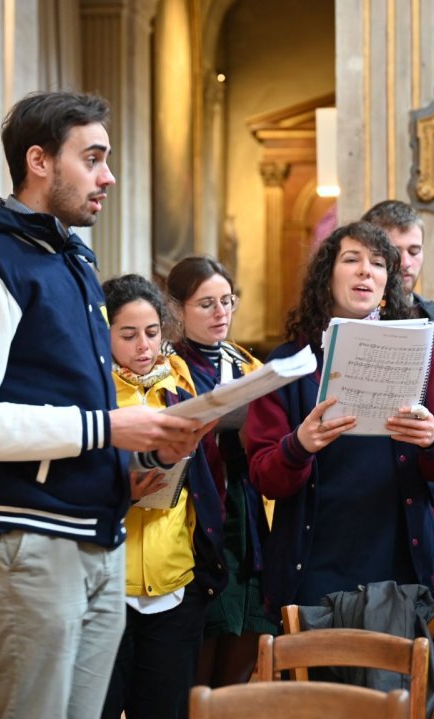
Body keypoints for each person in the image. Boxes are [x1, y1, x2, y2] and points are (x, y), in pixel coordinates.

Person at [0, 91, 210, 719]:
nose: (108, 176)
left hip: (95, 531)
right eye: (93, 158)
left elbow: (63, 401)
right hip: (26, 539)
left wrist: (139, 452)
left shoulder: (72, 259)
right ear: (40, 161)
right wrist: (110, 426)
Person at [246, 221, 434, 612]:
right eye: (352, 259)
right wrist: (298, 446)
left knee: (399, 673)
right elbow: (264, 476)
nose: (366, 270)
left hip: (399, 557)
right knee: (317, 673)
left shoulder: (419, 352)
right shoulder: (287, 363)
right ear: (326, 277)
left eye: (378, 263)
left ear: (386, 283)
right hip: (315, 560)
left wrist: (433, 440)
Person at [100, 274, 225, 719]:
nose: (143, 347)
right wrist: (119, 493)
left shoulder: (181, 382)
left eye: (152, 333)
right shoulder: (94, 392)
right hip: (107, 586)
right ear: (104, 334)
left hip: (174, 584)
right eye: (128, 335)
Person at [167, 255, 274, 687]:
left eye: (227, 301)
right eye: (206, 303)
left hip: (245, 506)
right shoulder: (166, 364)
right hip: (195, 509)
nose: (221, 313)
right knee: (203, 650)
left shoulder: (246, 364)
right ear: (177, 310)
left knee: (247, 636)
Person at [362, 199, 434, 583]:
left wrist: (430, 408)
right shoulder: (340, 323)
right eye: (394, 253)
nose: (407, 263)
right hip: (366, 496)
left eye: (414, 251)